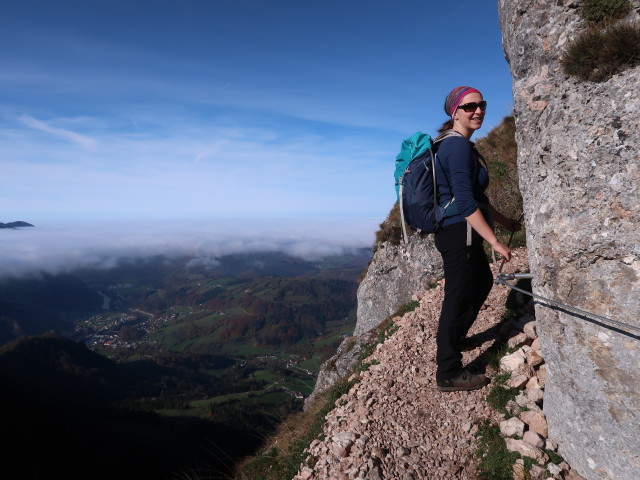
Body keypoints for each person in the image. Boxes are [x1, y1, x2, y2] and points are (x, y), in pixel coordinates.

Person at [433, 86, 521, 392]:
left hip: (461, 231)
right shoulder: (456, 147)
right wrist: (495, 242)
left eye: (481, 104)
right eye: (470, 106)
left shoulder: (460, 145)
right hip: (458, 233)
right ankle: (448, 371)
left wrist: (503, 221)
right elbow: (466, 202)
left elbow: (477, 197)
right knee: (456, 298)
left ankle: (455, 339)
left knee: (481, 282)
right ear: (454, 112)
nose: (478, 110)